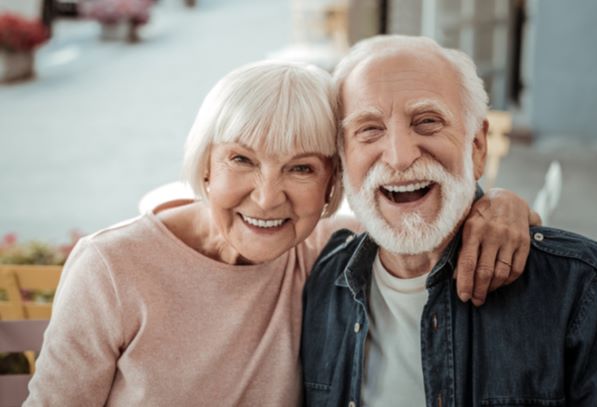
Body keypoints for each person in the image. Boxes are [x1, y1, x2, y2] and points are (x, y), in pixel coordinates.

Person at [26, 60, 536, 406]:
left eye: (301, 169)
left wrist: (499, 205)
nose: (268, 198)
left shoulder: (324, 251)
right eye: (242, 160)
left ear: (333, 184)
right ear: (205, 165)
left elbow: (428, 216)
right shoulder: (112, 268)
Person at [301, 35, 597, 406]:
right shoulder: (319, 278)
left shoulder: (584, 289)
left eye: (427, 122)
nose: (399, 156)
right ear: (342, 158)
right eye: (369, 129)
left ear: (477, 146)